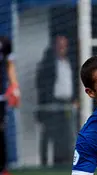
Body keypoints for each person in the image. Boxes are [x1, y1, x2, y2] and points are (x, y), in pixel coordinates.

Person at [36, 35, 78, 167]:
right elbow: (41, 82)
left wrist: (75, 98)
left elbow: (73, 82)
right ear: (54, 46)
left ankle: (63, 161)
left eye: (64, 45)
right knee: (48, 133)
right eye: (59, 45)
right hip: (53, 103)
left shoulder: (69, 62)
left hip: (67, 103)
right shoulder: (48, 63)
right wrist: (46, 100)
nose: (62, 48)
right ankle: (44, 163)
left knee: (68, 133)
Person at [0, 36, 19, 175]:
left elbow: (10, 65)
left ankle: (3, 171)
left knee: (1, 132)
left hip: (0, 97)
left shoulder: (5, 42)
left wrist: (14, 87)